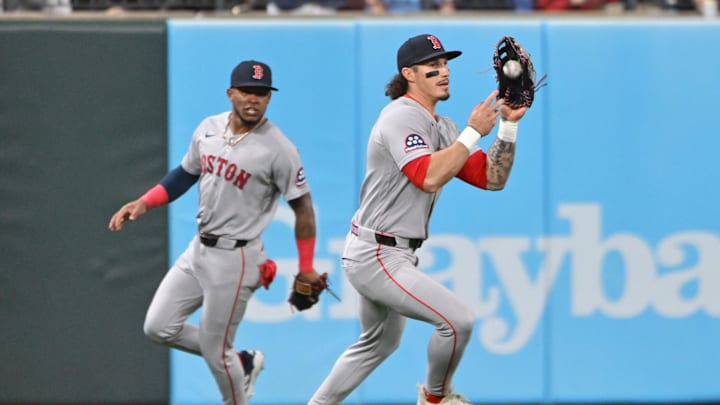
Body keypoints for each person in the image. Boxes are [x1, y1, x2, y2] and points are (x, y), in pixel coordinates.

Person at [308, 34, 529, 405]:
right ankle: (436, 399)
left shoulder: (440, 126)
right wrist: (474, 131)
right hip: (377, 253)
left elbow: (493, 179)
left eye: (445, 65)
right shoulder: (401, 115)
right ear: (409, 74)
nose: (444, 72)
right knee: (458, 321)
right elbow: (426, 176)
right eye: (433, 66)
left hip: (386, 250)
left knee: (378, 344)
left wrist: (508, 125)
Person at [108, 59, 323, 405]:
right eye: (247, 92)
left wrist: (307, 266)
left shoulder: (280, 148)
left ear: (269, 97)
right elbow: (184, 174)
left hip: (237, 257)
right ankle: (244, 363)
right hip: (200, 249)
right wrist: (144, 203)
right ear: (231, 93)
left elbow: (304, 208)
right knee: (158, 327)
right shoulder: (208, 127)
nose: (254, 99)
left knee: (215, 348)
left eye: (262, 93)